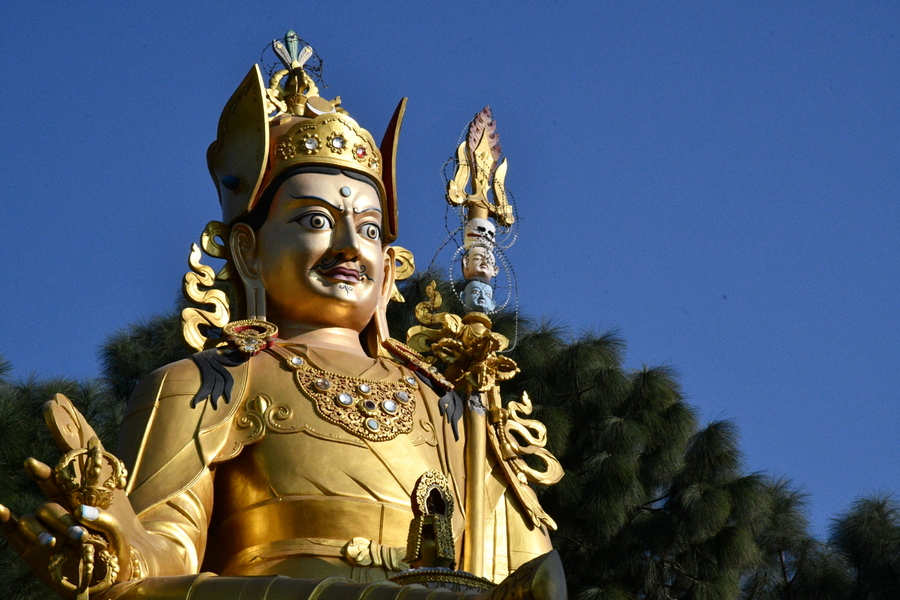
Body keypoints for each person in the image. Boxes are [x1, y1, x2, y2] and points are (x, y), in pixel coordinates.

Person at [0, 34, 563, 600]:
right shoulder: (206, 385)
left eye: (369, 229)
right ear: (247, 251)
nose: (349, 247)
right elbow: (163, 554)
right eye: (315, 221)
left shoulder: (456, 412)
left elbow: (525, 576)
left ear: (390, 267)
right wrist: (121, 545)